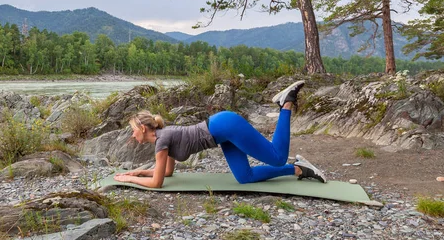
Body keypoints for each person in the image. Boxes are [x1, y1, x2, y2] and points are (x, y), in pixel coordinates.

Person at [113, 80, 327, 188]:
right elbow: (167, 173)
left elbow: (157, 183)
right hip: (221, 134)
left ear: (143, 129)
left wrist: (127, 179)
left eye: (133, 131)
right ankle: (299, 169)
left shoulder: (162, 141)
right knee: (244, 177)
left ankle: (286, 103)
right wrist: (139, 172)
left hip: (225, 125)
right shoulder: (163, 139)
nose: (132, 137)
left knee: (278, 157)